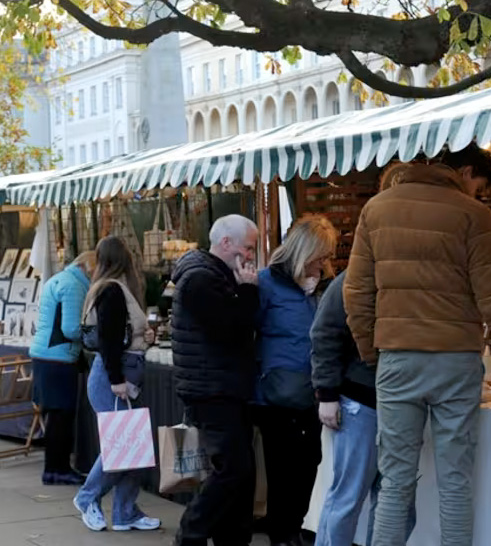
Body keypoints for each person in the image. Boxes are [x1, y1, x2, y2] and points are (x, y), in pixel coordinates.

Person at [344, 143, 491, 546]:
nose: (478, 195)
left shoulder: (377, 209)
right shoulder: (472, 214)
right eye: (478, 186)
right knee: (455, 481)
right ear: (465, 172)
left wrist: (373, 353)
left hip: (397, 359)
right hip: (456, 361)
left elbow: (356, 294)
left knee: (395, 482)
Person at [171, 214, 260, 546]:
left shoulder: (211, 274)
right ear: (226, 243)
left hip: (222, 387)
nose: (250, 255)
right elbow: (230, 329)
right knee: (233, 470)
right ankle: (190, 534)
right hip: (213, 390)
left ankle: (230, 538)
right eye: (248, 247)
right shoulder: (200, 279)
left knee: (240, 473)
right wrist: (247, 291)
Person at [312, 270, 416, 546]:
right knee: (350, 498)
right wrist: (327, 393)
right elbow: (324, 334)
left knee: (396, 502)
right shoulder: (353, 278)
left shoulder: (412, 272)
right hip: (362, 400)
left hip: (399, 401)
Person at [253, 214, 337, 546]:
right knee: (283, 469)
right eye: (320, 255)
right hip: (277, 393)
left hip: (313, 390)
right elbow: (248, 334)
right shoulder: (266, 284)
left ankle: (292, 530)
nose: (324, 263)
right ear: (304, 251)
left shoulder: (325, 286)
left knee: (309, 462)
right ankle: (283, 535)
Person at [73, 236, 160, 532]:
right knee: (125, 443)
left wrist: (143, 337)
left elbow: (116, 336)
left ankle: (125, 512)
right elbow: (109, 340)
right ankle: (88, 497)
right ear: (125, 258)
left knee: (132, 441)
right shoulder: (113, 290)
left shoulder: (108, 288)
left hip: (116, 374)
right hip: (115, 376)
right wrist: (116, 380)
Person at [30, 251, 96, 486]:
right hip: (59, 358)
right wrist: (94, 333)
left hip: (45, 356)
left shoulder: (58, 280)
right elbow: (70, 329)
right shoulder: (74, 286)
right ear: (89, 268)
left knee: (55, 416)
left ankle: (54, 469)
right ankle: (58, 470)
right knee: (62, 416)